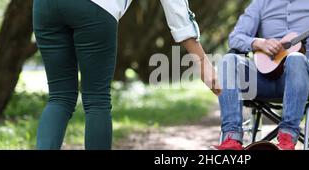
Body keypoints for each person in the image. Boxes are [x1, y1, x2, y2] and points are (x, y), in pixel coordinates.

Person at [33, 0, 220, 150]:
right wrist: (202, 61)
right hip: (94, 7)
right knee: (96, 100)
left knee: (59, 97)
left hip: (45, 6)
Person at [214, 0, 309, 150]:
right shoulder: (261, 3)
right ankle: (231, 140)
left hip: (304, 81)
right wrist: (257, 42)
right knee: (228, 60)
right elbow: (235, 38)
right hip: (264, 79)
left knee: (295, 58)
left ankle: (287, 139)